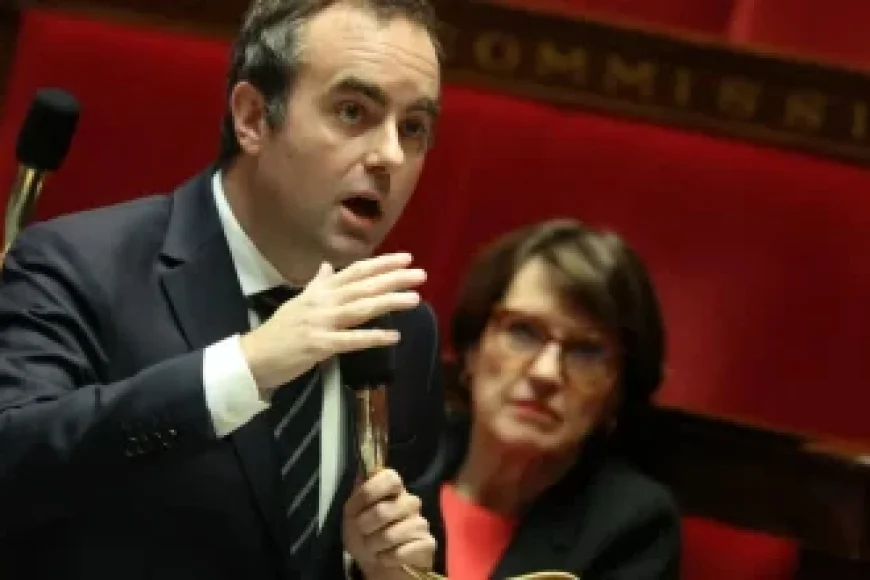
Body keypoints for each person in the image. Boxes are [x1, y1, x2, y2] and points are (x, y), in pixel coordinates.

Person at [0, 1, 445, 578]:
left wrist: (385, 572)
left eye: (413, 128)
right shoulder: (82, 265)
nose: (390, 155)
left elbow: (412, 547)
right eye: (353, 112)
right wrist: (244, 367)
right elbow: (13, 463)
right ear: (253, 118)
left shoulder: (402, 326)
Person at [412, 219, 681, 579]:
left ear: (618, 391)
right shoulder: (392, 461)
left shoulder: (635, 528)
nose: (545, 373)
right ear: (473, 349)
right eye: (523, 331)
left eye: (586, 351)